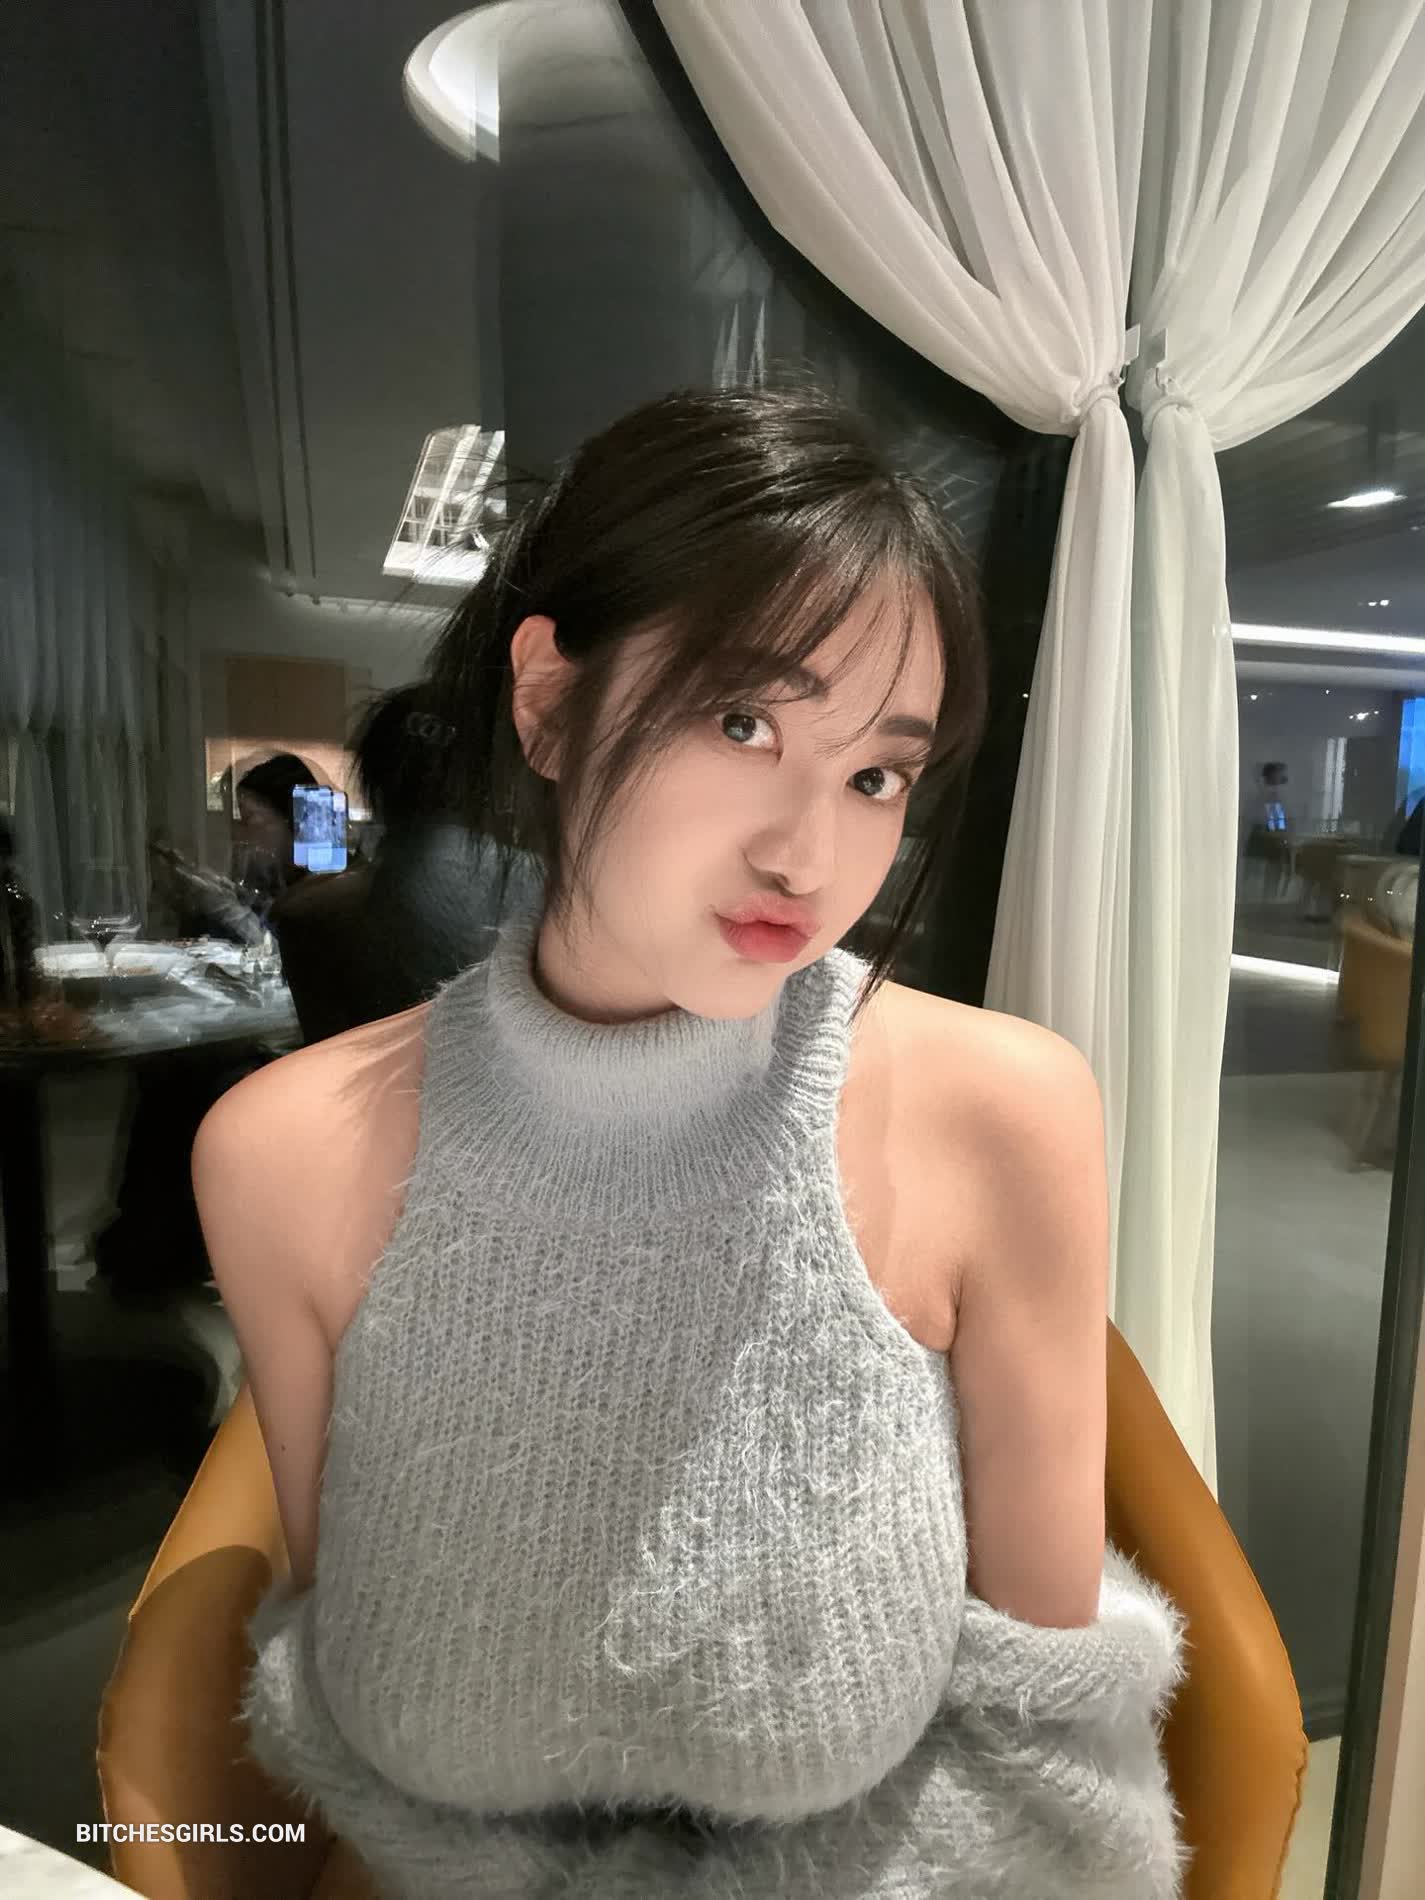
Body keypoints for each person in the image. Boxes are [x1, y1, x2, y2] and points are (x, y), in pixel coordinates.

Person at [193, 386, 1188, 1899]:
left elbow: (1053, 1757)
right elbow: (362, 1702)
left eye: (877, 774)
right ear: (548, 700)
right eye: (743, 723)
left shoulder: (999, 1116)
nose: (810, 852)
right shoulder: (282, 1157)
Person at [267, 684, 544, 1043]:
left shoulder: (307, 914)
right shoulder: (552, 886)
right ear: (494, 783)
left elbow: (330, 1052)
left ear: (375, 786)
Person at [231, 751, 321, 919]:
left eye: (248, 818)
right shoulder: (268, 878)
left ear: (291, 818)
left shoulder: (326, 888)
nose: (238, 834)